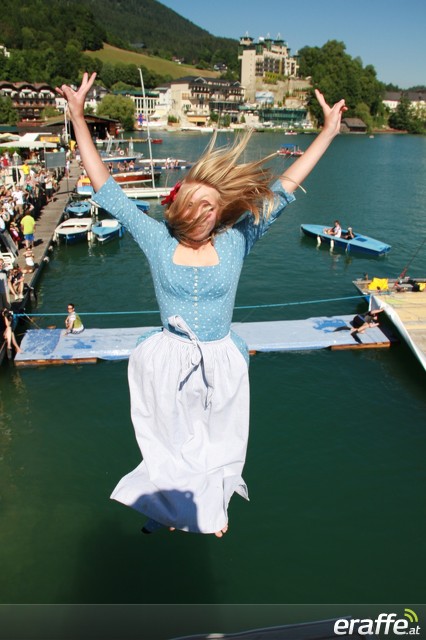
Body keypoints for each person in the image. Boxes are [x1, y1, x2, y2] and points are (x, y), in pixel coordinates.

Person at [57, 72, 347, 537]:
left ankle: (212, 507)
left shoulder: (237, 240)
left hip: (219, 355)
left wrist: (328, 132)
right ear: (177, 206)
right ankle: (166, 508)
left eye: (212, 205)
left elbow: (285, 187)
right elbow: (105, 187)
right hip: (170, 354)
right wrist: (77, 117)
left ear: (219, 213)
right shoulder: (155, 238)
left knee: (219, 439)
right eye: (196, 201)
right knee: (167, 439)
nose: (203, 210)